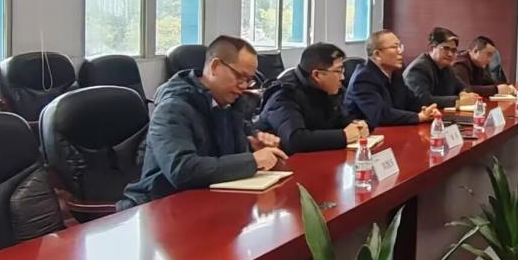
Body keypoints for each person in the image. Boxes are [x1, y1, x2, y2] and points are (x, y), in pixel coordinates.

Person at [117, 36, 286, 208]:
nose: (244, 86)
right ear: (215, 66)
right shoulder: (173, 107)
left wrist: (253, 145)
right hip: (160, 207)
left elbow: (228, 156)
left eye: (249, 80)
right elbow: (182, 170)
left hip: (210, 202)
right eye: (240, 76)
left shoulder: (230, 104)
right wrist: (253, 161)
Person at [257, 43, 369, 153]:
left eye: (343, 71)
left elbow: (338, 120)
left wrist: (356, 125)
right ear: (316, 75)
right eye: (338, 71)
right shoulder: (284, 94)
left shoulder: (329, 90)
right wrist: (343, 136)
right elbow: (295, 139)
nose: (343, 77)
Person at [344, 30, 439, 129]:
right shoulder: (363, 78)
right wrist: (419, 117)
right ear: (377, 54)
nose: (400, 51)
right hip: (369, 134)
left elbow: (411, 101)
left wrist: (427, 110)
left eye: (400, 46)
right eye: (394, 47)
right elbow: (380, 115)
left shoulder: (395, 72)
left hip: (393, 129)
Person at [403, 27, 481, 108]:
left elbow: (465, 87)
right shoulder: (418, 69)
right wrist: (458, 101)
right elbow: (423, 101)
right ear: (432, 48)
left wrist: (463, 93)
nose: (450, 54)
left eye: (453, 50)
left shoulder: (447, 68)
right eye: (446, 48)